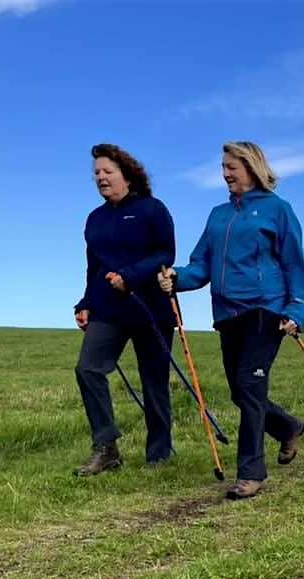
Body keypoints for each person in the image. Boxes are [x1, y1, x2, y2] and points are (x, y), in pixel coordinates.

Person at [159, 141, 304, 500]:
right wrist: (177, 277)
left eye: (232, 167)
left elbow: (293, 263)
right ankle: (289, 427)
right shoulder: (218, 215)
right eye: (223, 168)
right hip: (227, 313)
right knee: (239, 391)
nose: (225, 174)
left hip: (266, 308)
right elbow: (201, 265)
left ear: (252, 167)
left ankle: (251, 472)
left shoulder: (278, 210)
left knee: (249, 386)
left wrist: (297, 309)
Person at [73, 144, 176, 476]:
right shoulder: (95, 219)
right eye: (97, 174)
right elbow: (93, 268)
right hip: (108, 310)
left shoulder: (151, 209)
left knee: (154, 382)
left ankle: (159, 454)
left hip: (150, 308)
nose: (101, 178)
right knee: (88, 368)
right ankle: (106, 448)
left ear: (127, 174)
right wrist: (85, 303)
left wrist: (131, 278)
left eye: (107, 172)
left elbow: (165, 252)